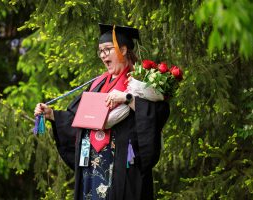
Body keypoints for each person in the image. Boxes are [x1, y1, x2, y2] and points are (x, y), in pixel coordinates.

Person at [34, 23, 170, 200]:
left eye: (107, 49)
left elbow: (157, 114)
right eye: (100, 51)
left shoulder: (140, 82)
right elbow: (80, 118)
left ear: (123, 49)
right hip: (92, 167)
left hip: (122, 164)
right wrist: (52, 114)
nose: (103, 55)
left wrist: (128, 99)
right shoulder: (98, 83)